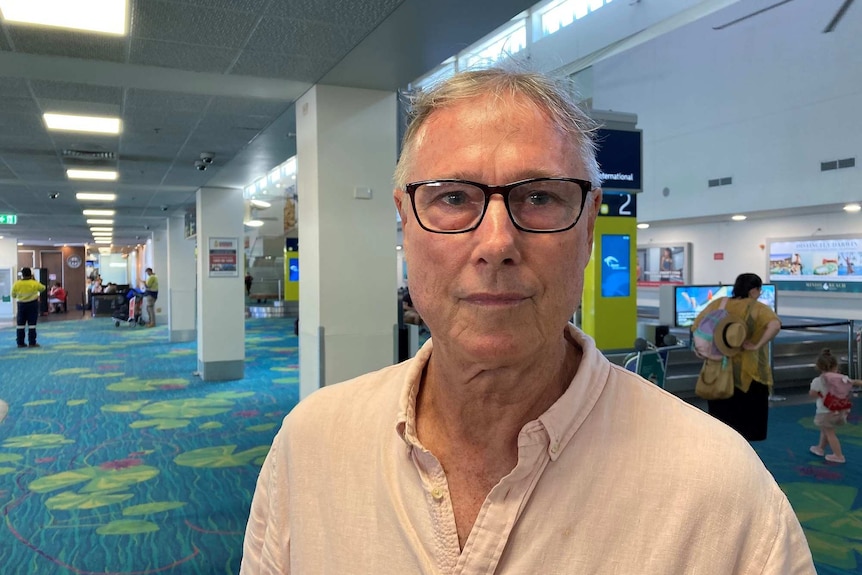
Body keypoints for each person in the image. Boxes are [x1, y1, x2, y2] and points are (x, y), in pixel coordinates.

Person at [241, 68, 813, 573]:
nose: (496, 243)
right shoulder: (312, 445)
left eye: (539, 198)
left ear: (589, 228)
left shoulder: (721, 490)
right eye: (454, 197)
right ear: (405, 222)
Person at [691, 273, 781, 441]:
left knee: (722, 423)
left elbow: (697, 325)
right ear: (753, 290)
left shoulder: (720, 303)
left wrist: (706, 350)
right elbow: (775, 325)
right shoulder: (757, 308)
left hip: (719, 370)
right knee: (748, 429)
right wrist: (757, 345)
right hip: (749, 374)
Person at [808, 348, 862, 464]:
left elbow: (812, 394)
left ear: (818, 366)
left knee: (829, 433)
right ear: (836, 366)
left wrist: (819, 394)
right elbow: (855, 382)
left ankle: (838, 455)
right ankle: (820, 448)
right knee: (826, 430)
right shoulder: (842, 378)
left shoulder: (818, 380)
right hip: (840, 410)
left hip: (825, 411)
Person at [11, 267, 46, 348]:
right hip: (32, 305)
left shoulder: (17, 283)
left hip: (21, 305)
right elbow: (43, 288)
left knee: (20, 325)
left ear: (22, 274)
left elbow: (13, 295)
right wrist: (34, 280)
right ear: (30, 274)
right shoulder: (34, 283)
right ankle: (32, 343)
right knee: (32, 324)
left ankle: (20, 343)